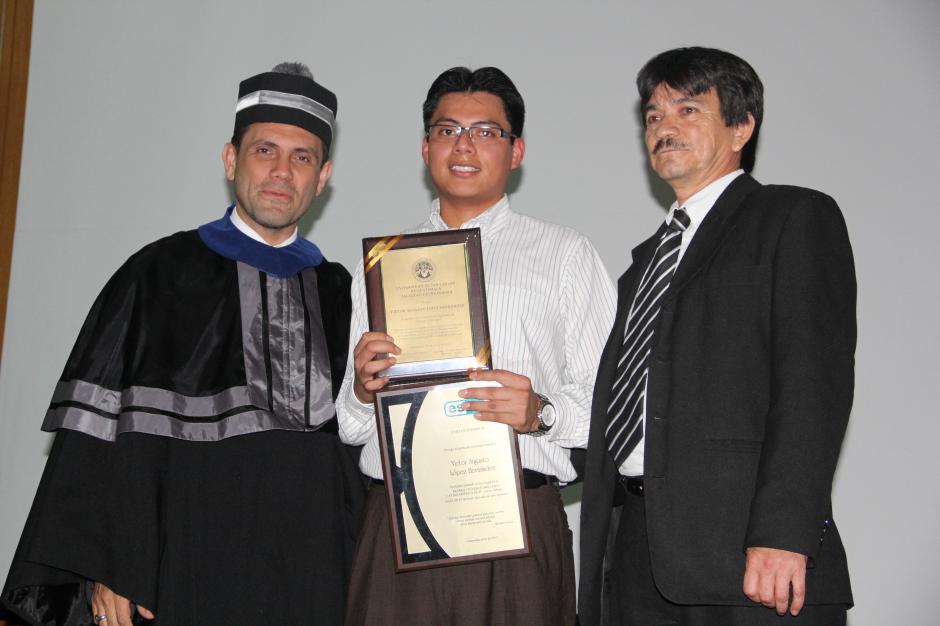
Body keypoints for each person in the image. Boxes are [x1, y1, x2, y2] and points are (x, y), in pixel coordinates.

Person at [1, 62, 364, 626]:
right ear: (230, 160)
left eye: (302, 157)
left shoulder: (348, 295)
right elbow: (97, 441)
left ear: (323, 177)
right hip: (183, 569)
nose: (281, 172)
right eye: (265, 150)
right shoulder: (156, 275)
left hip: (317, 574)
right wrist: (107, 566)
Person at [578, 46, 856, 625]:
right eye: (653, 116)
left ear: (741, 125)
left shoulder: (792, 218)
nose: (664, 128)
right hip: (637, 558)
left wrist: (784, 533)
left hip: (748, 560)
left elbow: (813, 386)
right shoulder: (644, 264)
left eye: (687, 110)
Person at [337, 66, 616, 626]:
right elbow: (350, 426)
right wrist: (364, 395)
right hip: (401, 522)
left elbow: (613, 402)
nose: (464, 145)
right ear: (425, 147)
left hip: (514, 522)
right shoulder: (383, 267)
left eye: (486, 132)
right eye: (447, 130)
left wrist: (542, 413)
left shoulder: (564, 255)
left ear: (516, 152)